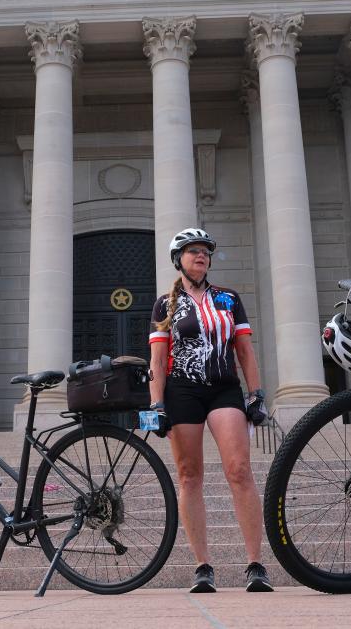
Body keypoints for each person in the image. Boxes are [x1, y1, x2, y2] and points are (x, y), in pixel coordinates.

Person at [148, 228, 273, 593]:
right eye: (192, 252)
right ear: (179, 260)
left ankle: (255, 564)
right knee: (189, 476)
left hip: (223, 389)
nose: (200, 256)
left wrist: (256, 395)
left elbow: (245, 351)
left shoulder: (229, 299)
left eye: (205, 252)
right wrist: (156, 404)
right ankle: (203, 566)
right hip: (182, 392)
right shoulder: (164, 305)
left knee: (240, 471)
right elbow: (157, 359)